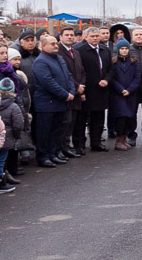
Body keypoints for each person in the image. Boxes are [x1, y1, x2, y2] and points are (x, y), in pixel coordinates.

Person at [31, 34, 75, 167]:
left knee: (55, 131)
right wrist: (65, 94)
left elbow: (68, 76)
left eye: (56, 43)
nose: (56, 46)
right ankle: (43, 157)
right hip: (47, 103)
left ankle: (52, 154)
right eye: (52, 44)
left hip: (60, 102)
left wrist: (71, 91)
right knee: (44, 132)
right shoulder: (40, 61)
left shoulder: (59, 58)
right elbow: (48, 82)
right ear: (43, 46)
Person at [75, 27, 111, 151]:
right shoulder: (79, 50)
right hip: (86, 89)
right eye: (92, 36)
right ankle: (80, 145)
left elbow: (111, 69)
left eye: (97, 36)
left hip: (101, 90)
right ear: (86, 37)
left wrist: (106, 79)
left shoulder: (105, 50)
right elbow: (78, 71)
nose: (95, 38)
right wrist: (81, 90)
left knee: (98, 118)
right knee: (81, 120)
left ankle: (96, 142)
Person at [57, 27, 88, 155]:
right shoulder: (58, 52)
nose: (70, 37)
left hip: (78, 93)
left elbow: (81, 71)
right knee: (65, 123)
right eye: (67, 35)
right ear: (61, 37)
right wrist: (76, 87)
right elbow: (64, 73)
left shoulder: (76, 52)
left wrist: (82, 86)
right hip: (67, 92)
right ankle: (62, 148)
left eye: (71, 35)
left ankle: (68, 147)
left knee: (74, 122)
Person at [0, 78, 24, 193]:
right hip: (6, 138)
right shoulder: (14, 106)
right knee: (1, 160)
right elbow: (18, 124)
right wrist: (16, 136)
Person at [109, 38, 141, 150]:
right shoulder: (113, 62)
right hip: (118, 94)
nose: (124, 50)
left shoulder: (133, 62)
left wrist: (130, 89)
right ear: (118, 50)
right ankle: (118, 140)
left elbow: (137, 78)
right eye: (122, 48)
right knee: (121, 117)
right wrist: (121, 90)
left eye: (126, 48)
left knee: (128, 117)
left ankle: (124, 139)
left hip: (131, 94)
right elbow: (112, 79)